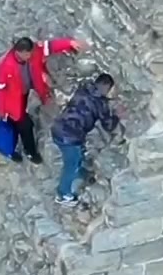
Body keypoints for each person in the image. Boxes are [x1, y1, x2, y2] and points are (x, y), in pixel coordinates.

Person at [0, 34, 84, 164]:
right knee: (25, 125)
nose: (30, 56)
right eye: (27, 54)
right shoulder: (4, 66)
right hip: (12, 101)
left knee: (18, 124)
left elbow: (50, 46)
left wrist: (69, 43)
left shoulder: (34, 51)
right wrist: (1, 111)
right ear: (19, 52)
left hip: (25, 91)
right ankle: (28, 152)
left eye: (31, 53)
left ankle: (17, 148)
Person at [51, 73, 123, 204]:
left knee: (75, 156)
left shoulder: (83, 88)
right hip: (70, 137)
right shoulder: (100, 103)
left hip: (58, 127)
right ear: (108, 88)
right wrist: (117, 115)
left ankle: (80, 172)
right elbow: (109, 126)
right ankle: (63, 194)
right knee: (71, 164)